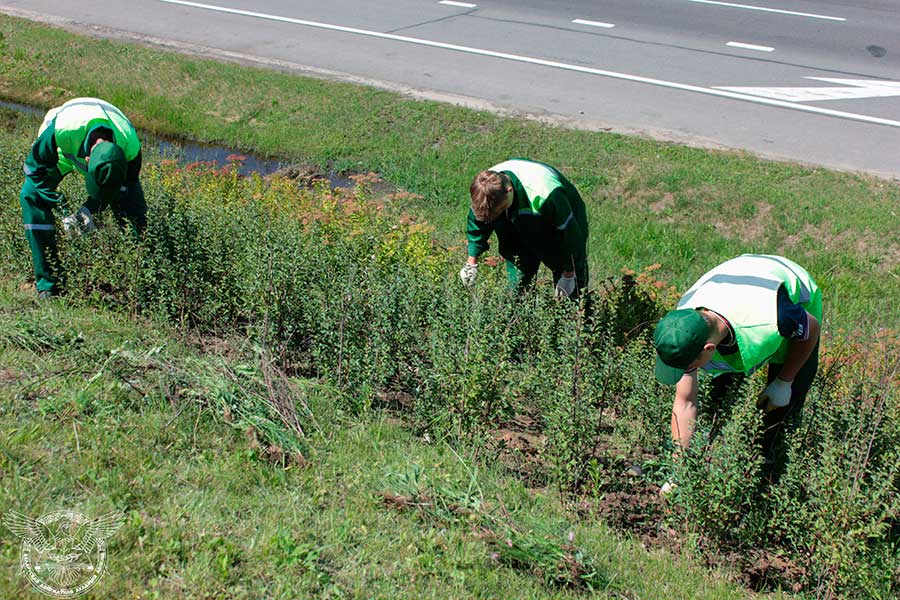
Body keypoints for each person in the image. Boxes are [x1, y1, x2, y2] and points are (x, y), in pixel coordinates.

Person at [653, 254, 822, 488]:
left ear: (708, 348)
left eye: (688, 366)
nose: (686, 371)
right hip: (736, 285)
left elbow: (810, 329)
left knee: (781, 411)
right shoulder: (683, 324)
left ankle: (768, 480)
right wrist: (677, 471)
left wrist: (784, 381)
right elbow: (685, 403)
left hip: (789, 288)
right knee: (720, 396)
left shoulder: (772, 320)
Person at [20, 97, 146, 298]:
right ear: (86, 160)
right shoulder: (62, 129)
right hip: (64, 150)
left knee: (135, 214)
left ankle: (143, 285)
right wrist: (62, 207)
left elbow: (125, 186)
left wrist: (89, 209)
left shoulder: (130, 146)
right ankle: (48, 285)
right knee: (31, 196)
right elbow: (34, 171)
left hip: (108, 144)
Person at [459, 159, 589, 299]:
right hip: (515, 218)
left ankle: (577, 315)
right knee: (517, 286)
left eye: (500, 210)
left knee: (572, 291)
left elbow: (570, 236)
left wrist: (569, 274)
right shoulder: (484, 193)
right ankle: (521, 316)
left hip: (559, 220)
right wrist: (471, 264)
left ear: (509, 191)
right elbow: (477, 225)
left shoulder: (547, 193)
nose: (496, 215)